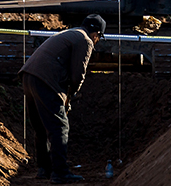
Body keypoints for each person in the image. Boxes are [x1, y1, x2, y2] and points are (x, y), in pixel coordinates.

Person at [19, 14, 106, 183]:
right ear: (95, 33)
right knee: (60, 126)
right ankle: (60, 172)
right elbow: (77, 75)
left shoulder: (70, 33)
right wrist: (71, 95)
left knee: (42, 126)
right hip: (45, 79)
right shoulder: (85, 40)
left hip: (28, 76)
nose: (97, 40)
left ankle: (44, 168)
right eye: (98, 37)